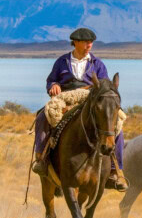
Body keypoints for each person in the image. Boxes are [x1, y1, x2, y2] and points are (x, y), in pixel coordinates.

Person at [32, 27, 127, 191]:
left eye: (91, 42)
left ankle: (115, 170)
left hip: (90, 100)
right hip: (65, 98)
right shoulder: (62, 62)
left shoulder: (97, 64)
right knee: (42, 116)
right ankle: (41, 159)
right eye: (85, 42)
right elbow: (51, 80)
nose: (89, 45)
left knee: (117, 124)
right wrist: (53, 86)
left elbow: (104, 86)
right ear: (75, 43)